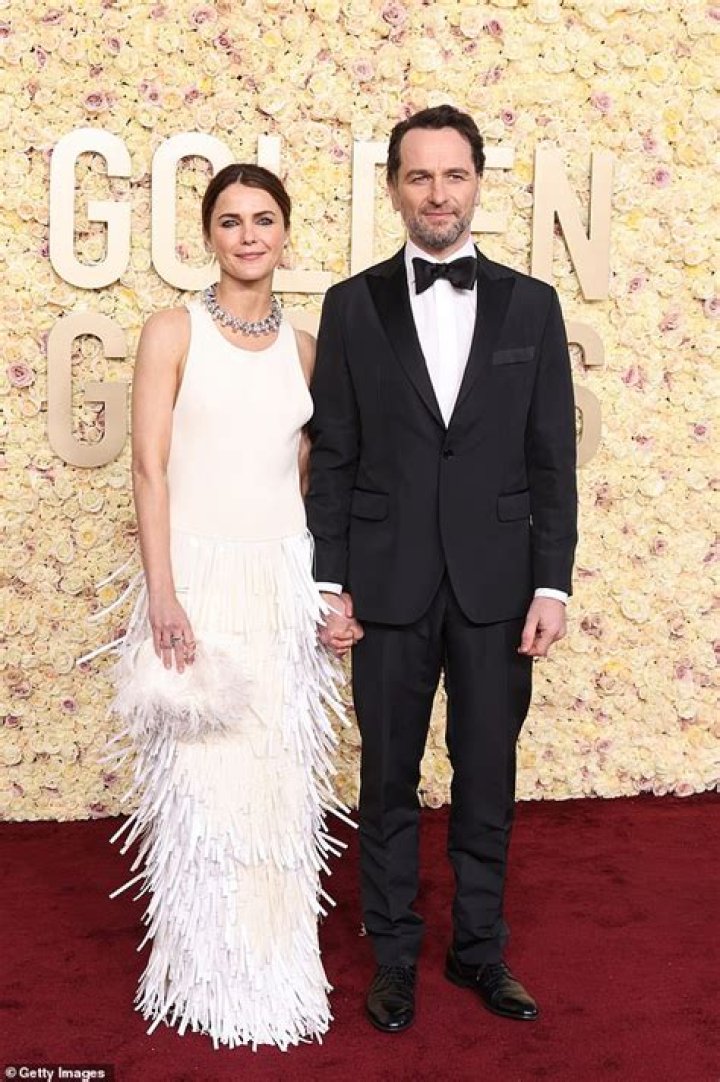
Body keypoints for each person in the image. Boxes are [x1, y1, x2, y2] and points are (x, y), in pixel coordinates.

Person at [307, 105, 578, 1031]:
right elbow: (334, 455)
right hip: (385, 585)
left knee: (486, 776)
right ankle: (393, 957)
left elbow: (552, 458)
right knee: (387, 777)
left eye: (453, 175)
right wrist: (329, 580)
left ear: (478, 184)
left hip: (500, 586)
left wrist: (551, 583)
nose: (437, 193)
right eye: (418, 176)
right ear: (393, 189)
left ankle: (479, 950)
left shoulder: (532, 304)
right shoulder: (351, 305)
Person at [107, 164, 350, 1050]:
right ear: (208, 235)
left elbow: (309, 480)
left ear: (286, 233)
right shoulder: (172, 330)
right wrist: (164, 592)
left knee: (278, 785)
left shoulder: (307, 349)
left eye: (264, 219)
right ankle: (205, 977)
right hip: (198, 581)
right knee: (205, 789)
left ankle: (278, 969)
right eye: (231, 221)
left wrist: (326, 591)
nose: (249, 235)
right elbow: (148, 468)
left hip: (281, 579)